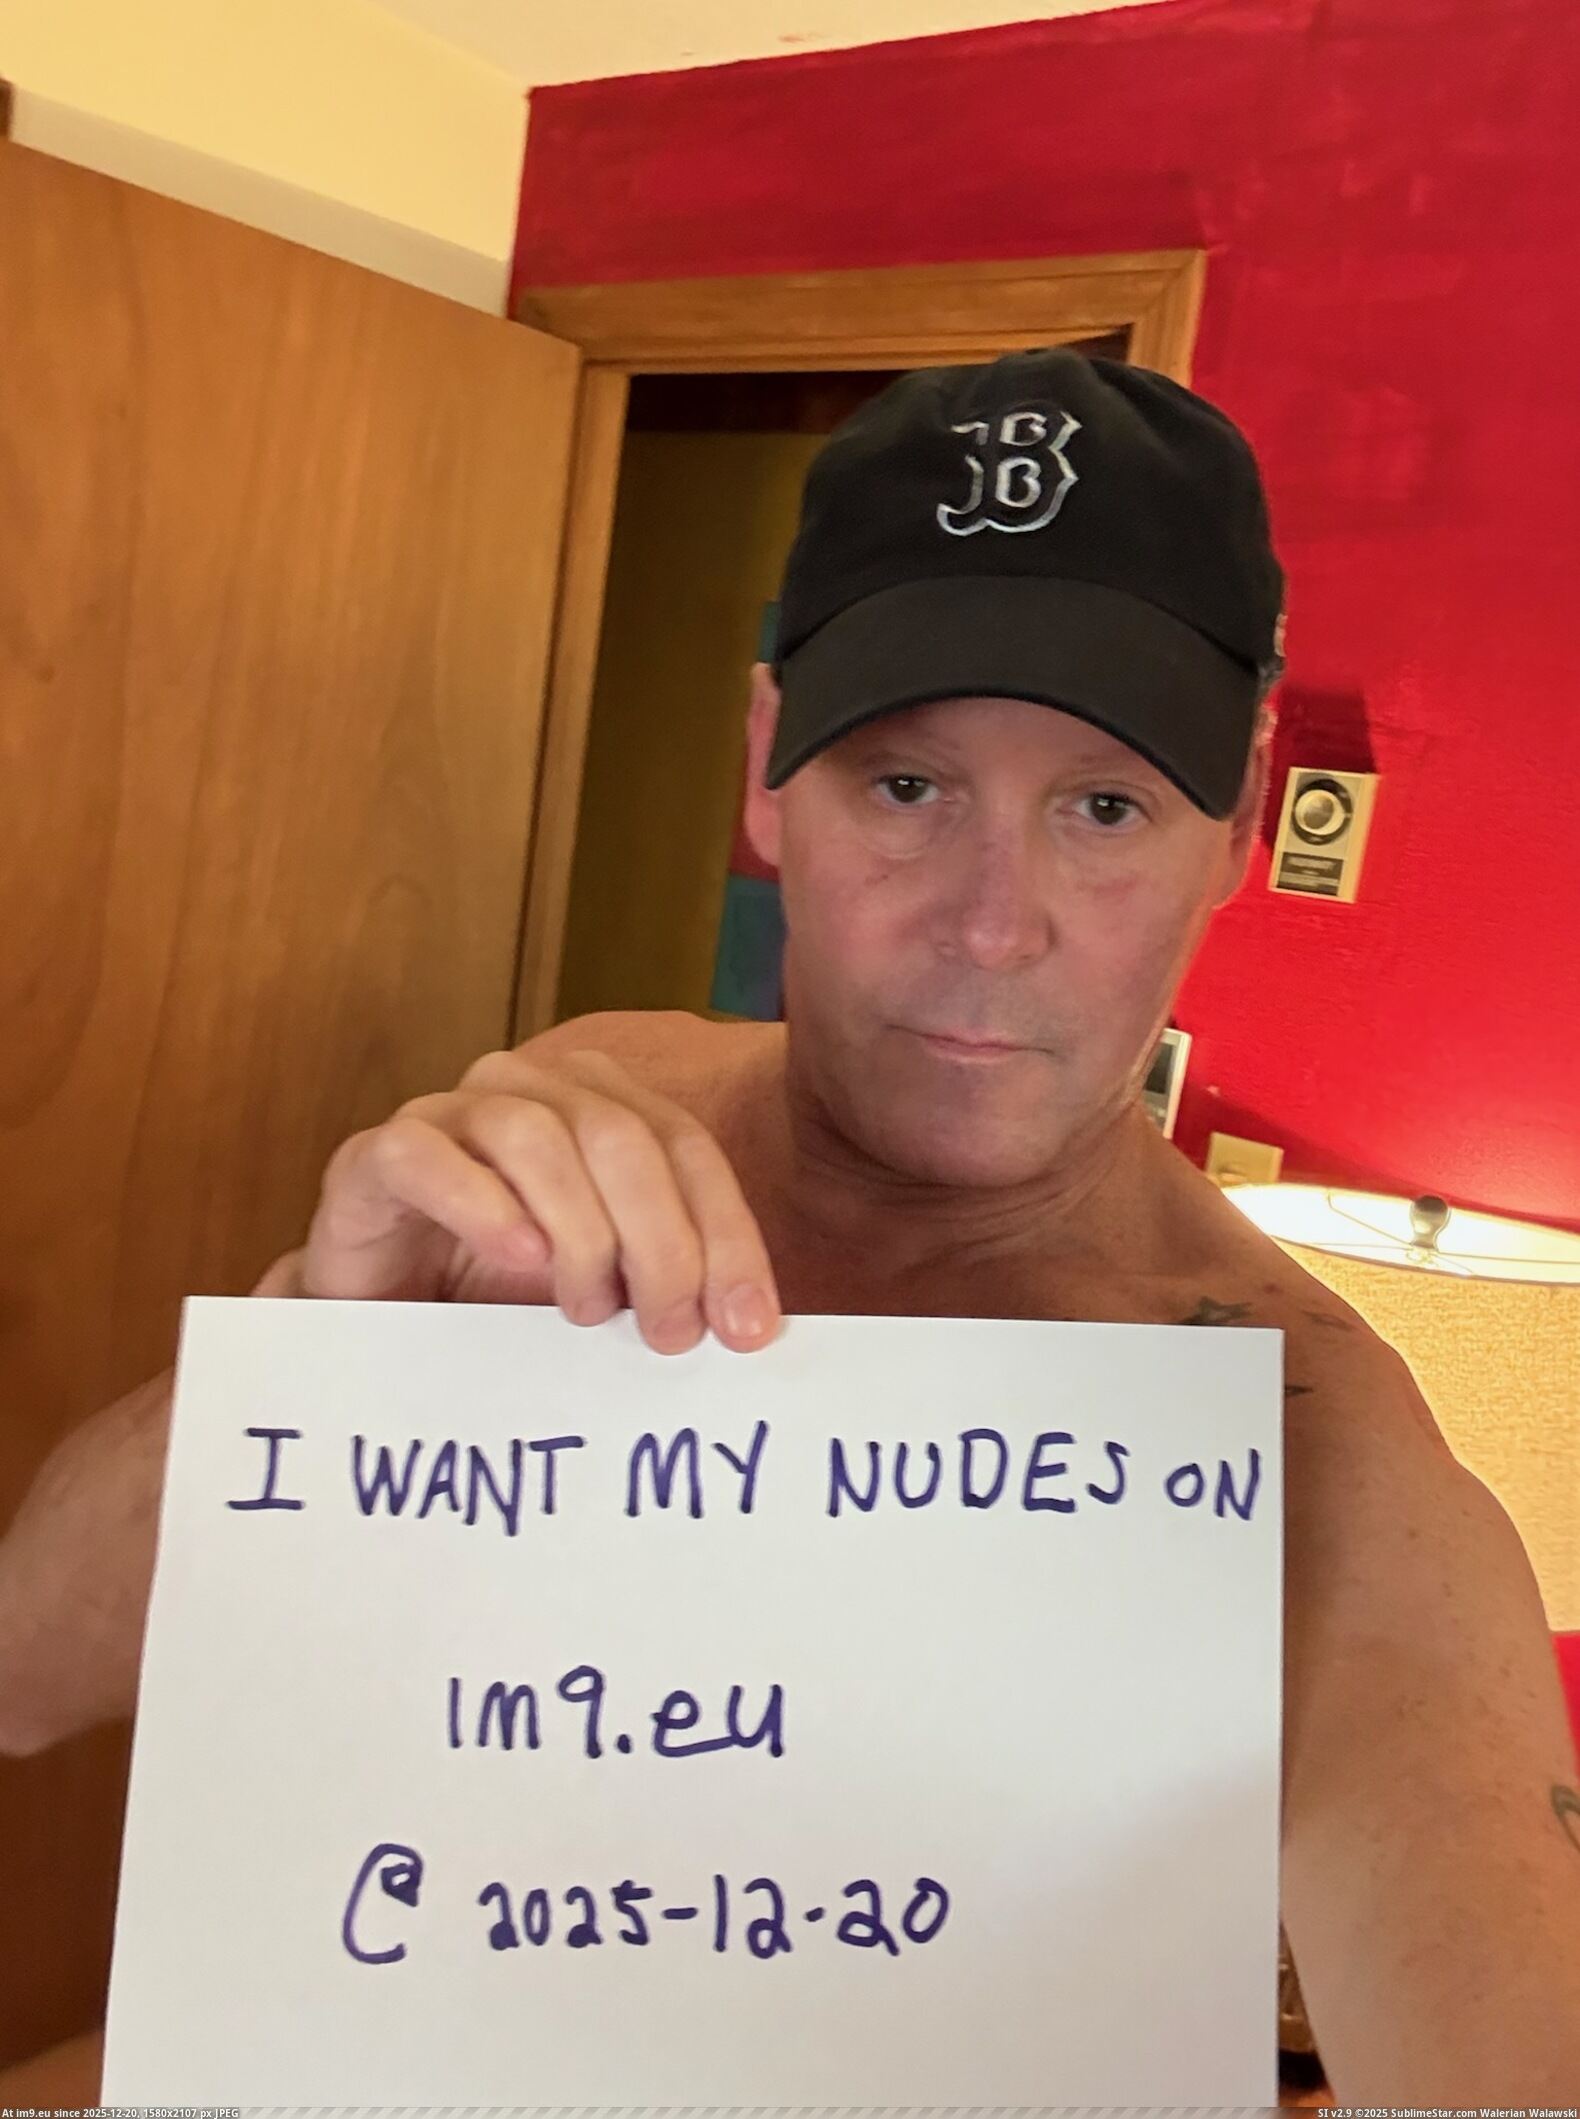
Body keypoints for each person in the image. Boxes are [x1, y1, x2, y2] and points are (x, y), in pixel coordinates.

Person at [2, 349, 1577, 2101]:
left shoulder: (1312, 1463)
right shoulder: (583, 1102)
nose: (992, 925)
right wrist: (316, 1352)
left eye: (1105, 807)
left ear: (1238, 830)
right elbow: (22, 1670)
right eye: (906, 787)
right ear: (770, 769)